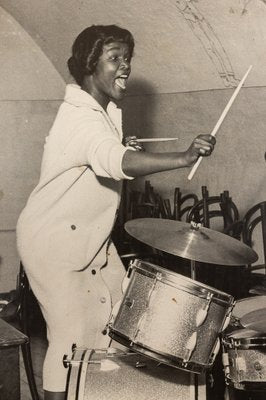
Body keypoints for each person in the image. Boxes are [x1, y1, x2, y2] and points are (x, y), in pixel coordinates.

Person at [16, 25, 215, 400]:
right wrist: (185, 157)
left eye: (128, 59)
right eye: (115, 58)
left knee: (122, 322)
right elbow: (115, 160)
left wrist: (121, 144)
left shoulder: (100, 111)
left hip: (90, 238)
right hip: (53, 242)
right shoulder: (80, 117)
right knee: (70, 335)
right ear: (90, 65)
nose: (125, 67)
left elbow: (106, 152)